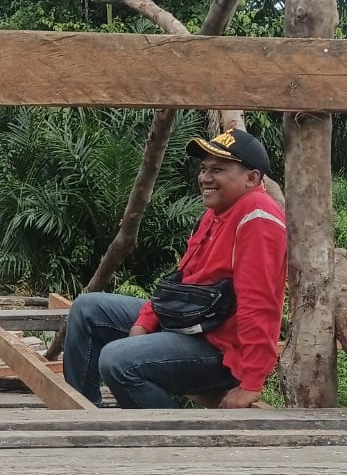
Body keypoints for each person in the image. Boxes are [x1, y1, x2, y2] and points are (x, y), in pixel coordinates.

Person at [63, 127, 287, 409]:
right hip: (192, 327)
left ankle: (173, 439)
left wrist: (252, 382)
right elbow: (180, 280)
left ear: (252, 178)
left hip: (222, 351)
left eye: (217, 169)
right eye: (204, 169)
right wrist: (145, 321)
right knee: (86, 309)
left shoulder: (257, 216)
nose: (205, 178)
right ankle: (82, 417)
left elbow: (260, 304)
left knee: (118, 360)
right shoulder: (215, 214)